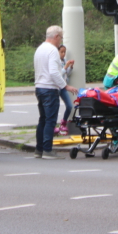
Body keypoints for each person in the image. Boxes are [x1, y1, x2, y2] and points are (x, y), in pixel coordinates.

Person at [33, 26, 78, 159]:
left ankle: (39, 149)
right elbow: (53, 72)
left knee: (42, 119)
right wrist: (65, 86)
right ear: (56, 36)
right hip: (49, 89)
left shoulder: (40, 48)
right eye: (61, 38)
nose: (61, 41)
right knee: (50, 120)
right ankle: (47, 150)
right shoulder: (52, 51)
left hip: (39, 87)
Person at [55, 45, 74, 135]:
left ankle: (63, 123)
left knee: (69, 106)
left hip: (63, 86)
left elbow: (67, 74)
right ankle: (53, 126)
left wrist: (70, 66)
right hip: (56, 87)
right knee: (55, 106)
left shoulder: (64, 61)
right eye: (61, 52)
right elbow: (59, 74)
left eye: (64, 52)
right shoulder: (56, 62)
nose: (63, 54)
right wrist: (65, 67)